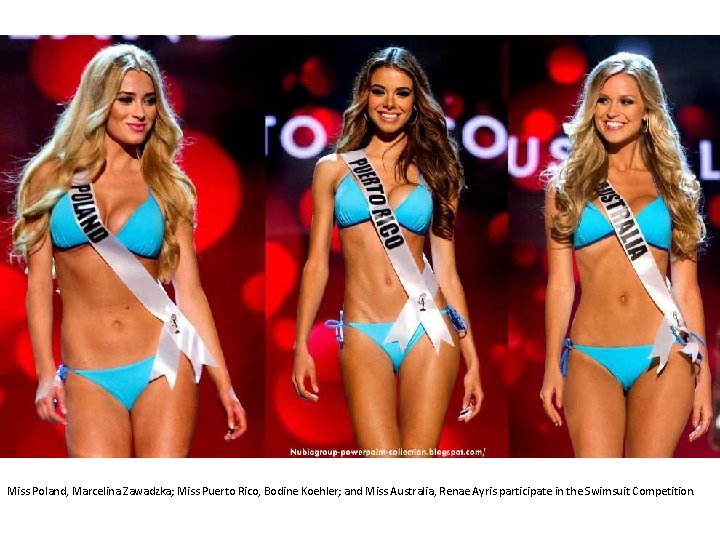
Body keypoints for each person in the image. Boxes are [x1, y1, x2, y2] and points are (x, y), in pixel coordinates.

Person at [12, 44, 246, 457]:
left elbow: (190, 293)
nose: (140, 112)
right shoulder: (50, 178)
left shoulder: (168, 187)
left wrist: (223, 382)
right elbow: (37, 289)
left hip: (164, 362)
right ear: (100, 102)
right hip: (88, 374)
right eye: (126, 99)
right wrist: (46, 373)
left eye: (149, 100)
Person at [292, 46, 483, 457]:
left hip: (427, 326)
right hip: (363, 331)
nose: (389, 103)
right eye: (380, 91)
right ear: (365, 96)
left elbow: (447, 272)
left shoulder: (438, 169)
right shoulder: (332, 169)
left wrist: (472, 356)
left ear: (416, 103)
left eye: (402, 93)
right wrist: (301, 344)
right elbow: (316, 264)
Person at [541, 52, 712, 457]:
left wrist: (703, 375)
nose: (612, 111)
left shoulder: (674, 188)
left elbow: (686, 289)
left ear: (648, 111)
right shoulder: (565, 187)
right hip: (590, 356)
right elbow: (561, 284)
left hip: (664, 353)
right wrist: (551, 364)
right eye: (603, 100)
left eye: (626, 101)